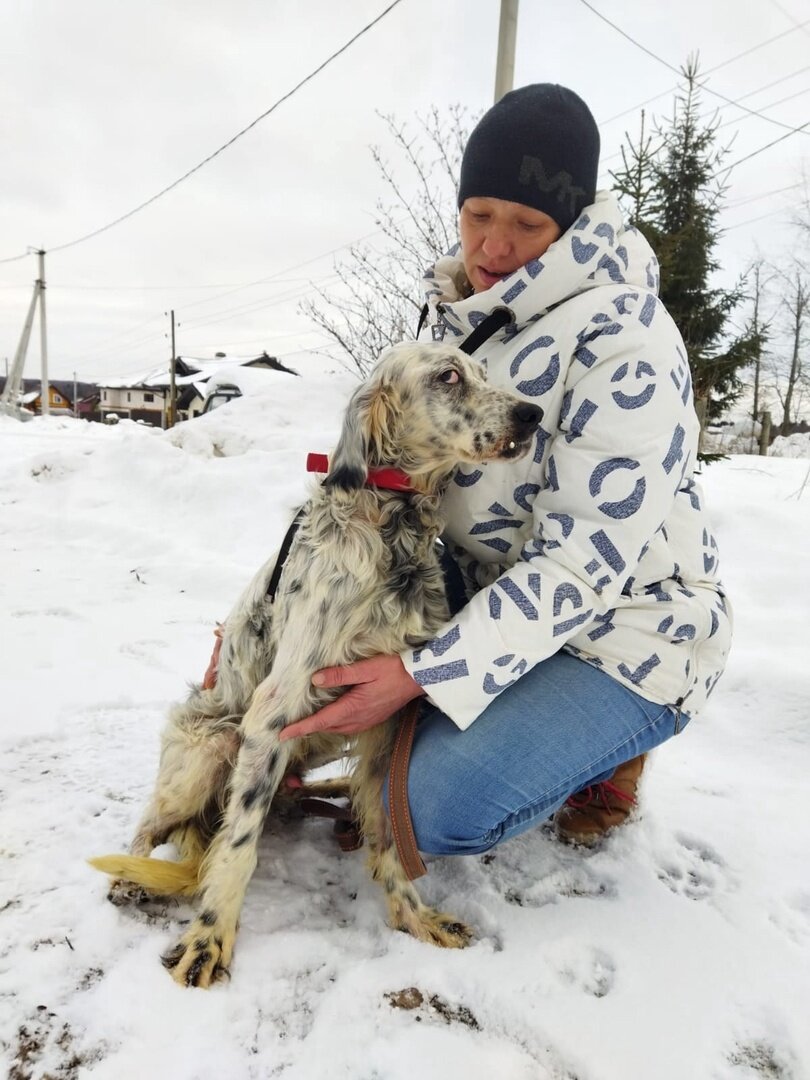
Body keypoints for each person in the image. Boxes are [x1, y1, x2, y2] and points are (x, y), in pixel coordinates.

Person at [280, 84, 732, 851]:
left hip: (627, 632)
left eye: (526, 224)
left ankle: (613, 748)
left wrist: (420, 677)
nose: (493, 246)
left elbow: (584, 554)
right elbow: (378, 486)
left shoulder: (630, 340)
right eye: (478, 214)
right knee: (294, 705)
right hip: (489, 607)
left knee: (421, 813)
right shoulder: (464, 323)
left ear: (570, 225)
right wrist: (273, 609)